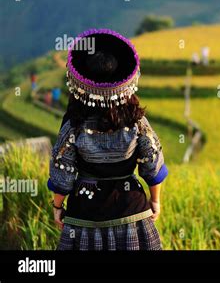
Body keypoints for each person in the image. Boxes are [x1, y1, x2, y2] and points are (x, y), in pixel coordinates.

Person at [47, 29, 168, 250]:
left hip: (84, 215)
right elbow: (153, 164)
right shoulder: (137, 122)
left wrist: (57, 206)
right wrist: (155, 201)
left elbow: (62, 174)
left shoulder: (74, 125)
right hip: (132, 213)